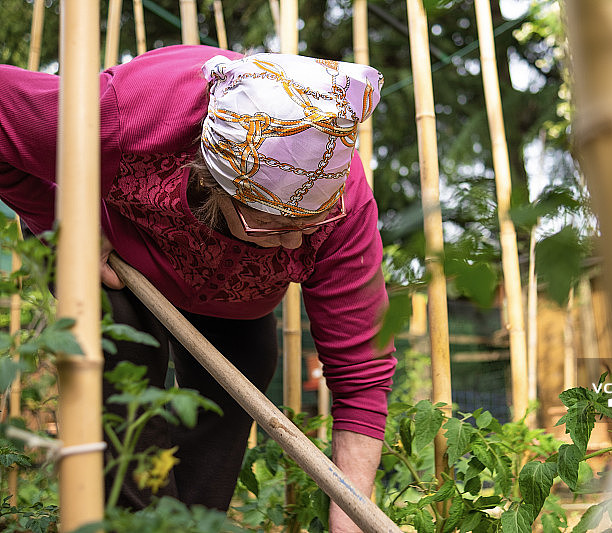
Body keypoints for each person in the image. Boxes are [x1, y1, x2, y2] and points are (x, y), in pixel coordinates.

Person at [0, 45, 396, 532]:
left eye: (311, 224)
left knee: (245, 372)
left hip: (234, 299)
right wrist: (59, 221)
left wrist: (350, 523)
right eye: (272, 226)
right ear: (214, 181)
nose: (294, 242)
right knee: (118, 352)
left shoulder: (345, 204)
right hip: (118, 263)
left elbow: (362, 372)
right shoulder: (131, 116)